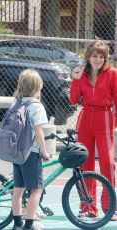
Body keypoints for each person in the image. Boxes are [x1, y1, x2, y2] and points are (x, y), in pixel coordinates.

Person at [69, 40, 117, 220]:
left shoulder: (113, 74)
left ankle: (110, 206)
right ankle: (88, 206)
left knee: (108, 163)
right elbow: (74, 100)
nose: (97, 60)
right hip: (85, 119)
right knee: (84, 163)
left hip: (104, 119)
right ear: (88, 57)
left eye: (101, 56)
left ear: (106, 59)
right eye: (94, 56)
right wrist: (75, 80)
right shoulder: (81, 74)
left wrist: (115, 123)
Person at [11, 69, 50, 230]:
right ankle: (29, 225)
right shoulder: (36, 107)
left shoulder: (15, 102)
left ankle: (17, 224)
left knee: (18, 189)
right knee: (36, 190)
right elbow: (39, 132)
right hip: (31, 153)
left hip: (17, 152)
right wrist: (44, 151)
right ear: (37, 87)